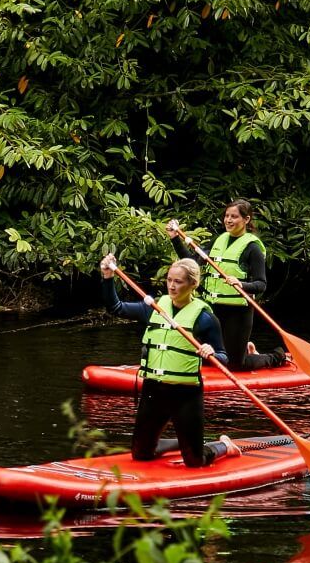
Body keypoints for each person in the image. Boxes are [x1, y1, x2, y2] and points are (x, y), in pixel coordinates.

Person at [100, 254, 239, 468]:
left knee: (195, 461)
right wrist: (108, 278)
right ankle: (183, 443)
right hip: (153, 390)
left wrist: (210, 352)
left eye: (178, 281)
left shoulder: (205, 318)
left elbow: (223, 358)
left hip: (186, 394)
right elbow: (116, 308)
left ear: (193, 284)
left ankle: (222, 446)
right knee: (141, 454)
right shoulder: (154, 307)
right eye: (169, 280)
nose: (172, 286)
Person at [166, 199, 288, 370]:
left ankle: (276, 356)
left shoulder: (253, 248)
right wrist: (175, 239)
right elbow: (191, 262)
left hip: (237, 312)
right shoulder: (219, 240)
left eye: (234, 216)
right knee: (206, 356)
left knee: (236, 365)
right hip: (212, 309)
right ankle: (245, 348)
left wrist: (241, 284)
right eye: (226, 216)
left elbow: (261, 285)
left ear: (246, 220)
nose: (228, 220)